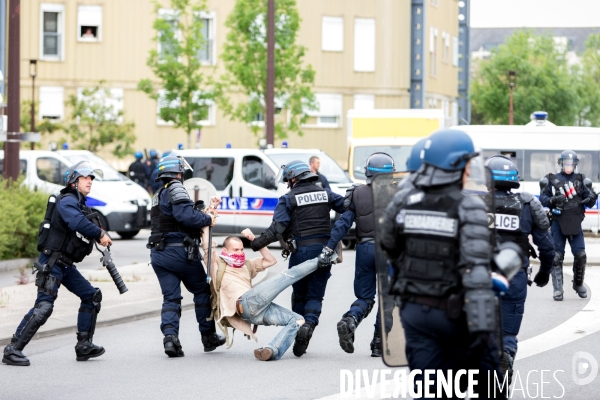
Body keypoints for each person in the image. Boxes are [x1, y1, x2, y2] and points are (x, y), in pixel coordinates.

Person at [379, 129, 500, 396]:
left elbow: (389, 245)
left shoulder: (402, 202)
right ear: (456, 165)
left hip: (414, 313)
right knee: (491, 387)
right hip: (456, 316)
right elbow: (477, 270)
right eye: (468, 163)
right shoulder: (468, 207)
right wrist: (483, 333)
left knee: (430, 390)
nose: (470, 169)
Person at [2, 162, 113, 366]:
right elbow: (76, 223)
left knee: (92, 296)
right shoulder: (67, 201)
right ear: (73, 181)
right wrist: (99, 234)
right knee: (44, 307)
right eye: (85, 177)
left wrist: (100, 234)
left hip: (66, 265)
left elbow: (85, 224)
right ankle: (12, 350)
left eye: (91, 178)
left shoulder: (80, 204)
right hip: (52, 263)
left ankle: (84, 346)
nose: (90, 181)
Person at [249, 160, 345, 357]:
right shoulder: (325, 193)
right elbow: (347, 206)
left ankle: (299, 326)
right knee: (315, 296)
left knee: (299, 295)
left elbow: (277, 228)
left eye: (287, 180)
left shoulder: (288, 198)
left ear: (294, 178)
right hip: (324, 252)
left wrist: (256, 243)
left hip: (300, 253)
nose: (287, 184)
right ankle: (308, 326)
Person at [206, 229, 334, 361]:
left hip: (254, 314)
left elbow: (271, 260)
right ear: (225, 251)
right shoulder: (216, 264)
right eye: (236, 250)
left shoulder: (247, 265)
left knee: (298, 320)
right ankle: (325, 258)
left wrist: (254, 240)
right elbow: (207, 248)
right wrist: (208, 219)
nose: (240, 253)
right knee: (288, 275)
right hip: (245, 302)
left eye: (242, 249)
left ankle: (272, 349)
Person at [485, 155, 555, 384]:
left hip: (478, 278)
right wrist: (545, 272)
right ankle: (505, 356)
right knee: (507, 335)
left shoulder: (474, 203)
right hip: (513, 278)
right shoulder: (527, 204)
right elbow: (546, 247)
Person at [147, 155, 225, 357]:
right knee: (202, 290)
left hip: (158, 253)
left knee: (171, 297)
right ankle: (208, 338)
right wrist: (208, 218)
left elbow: (174, 218)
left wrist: (200, 211)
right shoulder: (176, 187)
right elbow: (186, 217)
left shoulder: (159, 193)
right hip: (179, 252)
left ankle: (170, 339)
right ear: (177, 173)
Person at [323, 153, 396, 357]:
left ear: (367, 172)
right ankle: (378, 344)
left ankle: (350, 320)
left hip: (364, 249)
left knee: (365, 297)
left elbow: (342, 224)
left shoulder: (355, 193)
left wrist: (329, 248)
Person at [539, 150, 597, 300]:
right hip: (558, 222)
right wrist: (553, 201)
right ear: (561, 164)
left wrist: (592, 197)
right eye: (566, 163)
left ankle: (578, 284)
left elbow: (589, 203)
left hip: (575, 223)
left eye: (571, 164)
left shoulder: (581, 180)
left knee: (581, 255)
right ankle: (558, 289)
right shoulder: (552, 179)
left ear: (575, 164)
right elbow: (543, 199)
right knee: (556, 257)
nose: (568, 166)